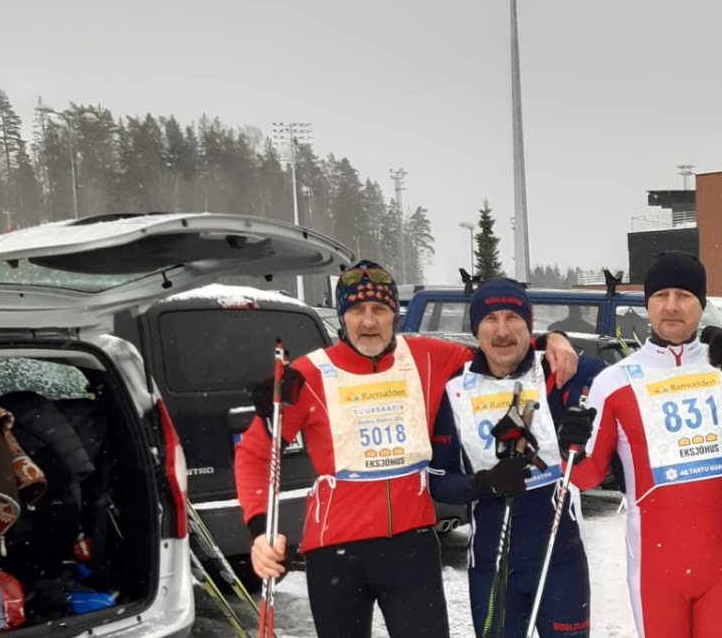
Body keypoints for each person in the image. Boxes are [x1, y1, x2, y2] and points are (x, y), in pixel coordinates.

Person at [235, 261, 579, 638]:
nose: (368, 322)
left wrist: (552, 340)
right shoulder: (310, 373)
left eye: (379, 309)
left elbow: (498, 351)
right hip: (335, 551)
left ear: (393, 315)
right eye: (356, 310)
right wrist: (258, 529)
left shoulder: (426, 357)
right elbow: (255, 453)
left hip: (410, 546)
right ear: (341, 317)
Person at [562, 251, 722, 638]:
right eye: (661, 295)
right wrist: (568, 444)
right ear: (646, 304)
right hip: (657, 569)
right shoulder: (615, 381)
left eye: (684, 295)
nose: (671, 306)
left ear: (702, 304)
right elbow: (584, 477)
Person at [429, 278, 603, 638]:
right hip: (492, 566)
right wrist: (482, 483)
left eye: (514, 318)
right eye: (491, 319)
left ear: (529, 324)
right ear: (476, 328)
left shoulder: (561, 372)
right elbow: (439, 481)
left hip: (560, 561)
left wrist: (584, 439)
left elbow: (619, 384)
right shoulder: (456, 389)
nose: (503, 331)